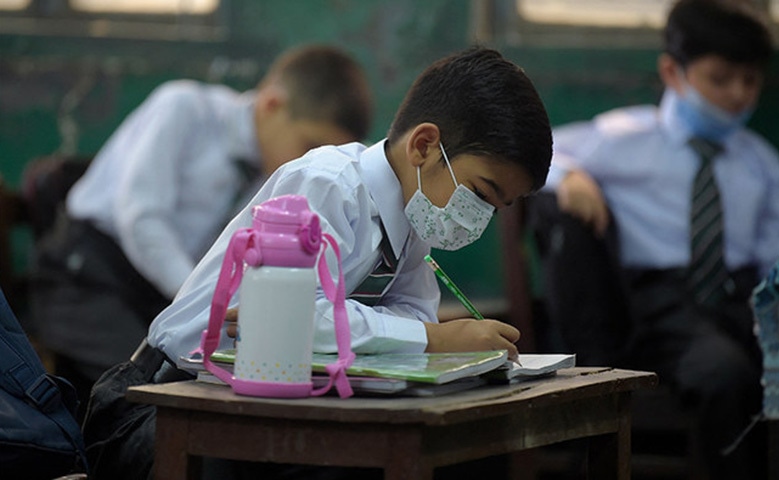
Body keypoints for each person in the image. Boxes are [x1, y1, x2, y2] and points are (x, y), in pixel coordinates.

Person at [81, 45, 553, 480]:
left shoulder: (412, 224)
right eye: (481, 194)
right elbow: (285, 319)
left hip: (256, 406)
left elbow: (402, 318)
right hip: (165, 407)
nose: (481, 218)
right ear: (425, 146)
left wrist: (380, 332)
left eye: (498, 207)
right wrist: (431, 339)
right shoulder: (327, 184)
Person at [29, 44, 373, 422]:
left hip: (169, 297)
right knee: (151, 396)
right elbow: (143, 221)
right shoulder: (183, 108)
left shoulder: (283, 175)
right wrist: (208, 305)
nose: (313, 161)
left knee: (223, 386)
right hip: (86, 279)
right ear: (272, 104)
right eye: (310, 145)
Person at [534, 1, 779, 479]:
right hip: (655, 306)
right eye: (720, 79)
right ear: (672, 72)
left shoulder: (761, 166)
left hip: (737, 303)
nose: (738, 94)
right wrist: (572, 176)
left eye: (751, 80)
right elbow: (538, 157)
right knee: (722, 372)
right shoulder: (625, 137)